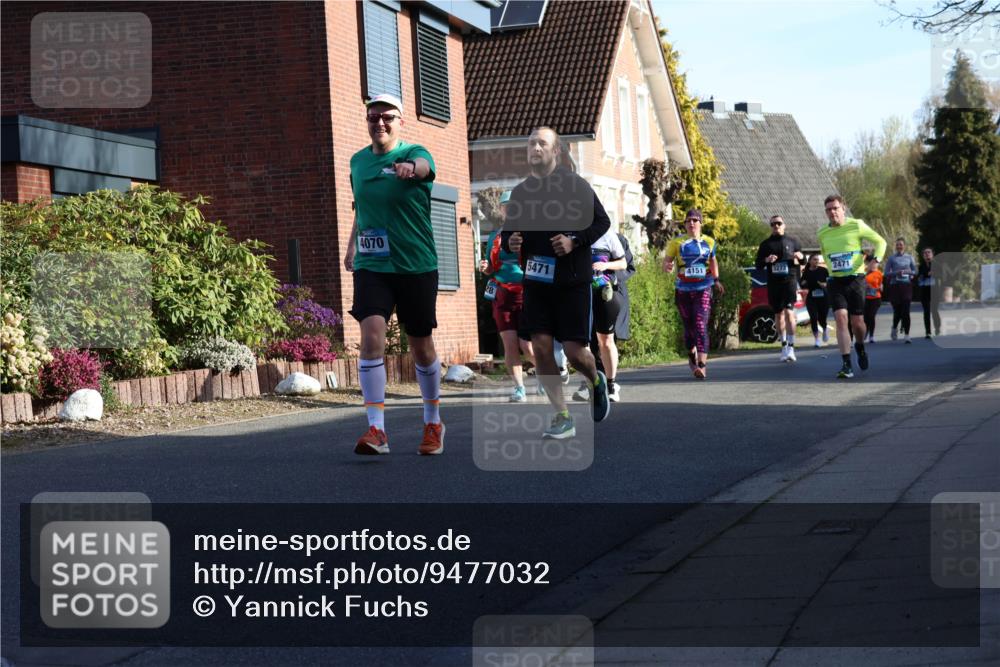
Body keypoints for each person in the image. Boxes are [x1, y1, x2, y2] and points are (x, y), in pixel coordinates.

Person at [345, 93, 444, 455]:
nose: (380, 123)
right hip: (374, 265)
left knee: (421, 346)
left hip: (415, 264)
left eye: (387, 117)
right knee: (372, 335)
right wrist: (352, 245)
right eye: (373, 117)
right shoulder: (357, 162)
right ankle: (376, 430)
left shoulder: (414, 152)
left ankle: (433, 422)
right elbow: (363, 206)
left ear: (400, 121)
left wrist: (410, 168)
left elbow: (425, 168)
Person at [503, 127, 612, 438]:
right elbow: (508, 231)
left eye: (542, 143)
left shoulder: (575, 185)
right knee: (540, 347)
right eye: (531, 143)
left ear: (556, 152)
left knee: (577, 353)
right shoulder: (522, 192)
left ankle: (596, 378)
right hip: (536, 281)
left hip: (571, 282)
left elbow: (602, 221)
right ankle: (562, 416)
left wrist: (574, 240)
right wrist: (511, 241)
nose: (535, 148)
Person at [817, 194, 887, 379]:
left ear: (843, 208)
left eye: (835, 208)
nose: (832, 212)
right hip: (835, 281)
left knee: (857, 323)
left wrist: (876, 260)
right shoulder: (822, 233)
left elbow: (881, 242)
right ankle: (846, 363)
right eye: (828, 210)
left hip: (856, 279)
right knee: (840, 318)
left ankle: (860, 346)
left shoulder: (856, 225)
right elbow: (825, 254)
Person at [480, 190, 537, 402]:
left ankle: (544, 374)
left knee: (528, 345)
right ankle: (519, 388)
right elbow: (490, 268)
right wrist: (485, 267)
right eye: (506, 206)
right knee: (510, 344)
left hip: (526, 292)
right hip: (502, 294)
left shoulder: (529, 233)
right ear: (503, 210)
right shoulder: (496, 236)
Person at [663, 209, 725, 379]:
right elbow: (667, 262)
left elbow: (713, 261)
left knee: (700, 324)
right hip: (683, 289)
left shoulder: (709, 242)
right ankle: (692, 357)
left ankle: (702, 365)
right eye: (688, 220)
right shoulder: (676, 243)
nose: (691, 223)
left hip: (703, 287)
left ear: (700, 223)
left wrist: (717, 279)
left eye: (695, 220)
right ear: (685, 224)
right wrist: (667, 267)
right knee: (689, 328)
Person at [572, 229, 628, 403]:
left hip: (604, 293)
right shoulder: (572, 235)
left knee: (606, 341)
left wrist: (606, 265)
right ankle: (590, 383)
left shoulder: (607, 235)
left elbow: (624, 263)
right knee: (582, 342)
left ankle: (611, 384)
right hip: (580, 293)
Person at [755, 215, 804, 362]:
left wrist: (800, 256)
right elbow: (758, 265)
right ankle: (783, 346)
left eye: (779, 223)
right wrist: (766, 260)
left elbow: (803, 260)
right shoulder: (765, 244)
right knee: (778, 315)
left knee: (789, 313)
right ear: (771, 226)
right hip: (774, 283)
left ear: (784, 225)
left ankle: (791, 347)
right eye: (773, 224)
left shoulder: (793, 241)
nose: (776, 226)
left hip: (789, 281)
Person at [884, 237, 917, 343]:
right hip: (895, 286)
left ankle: (907, 335)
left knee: (906, 311)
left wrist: (909, 272)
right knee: (897, 311)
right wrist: (896, 273)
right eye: (897, 244)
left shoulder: (909, 257)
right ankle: (894, 327)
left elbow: (915, 271)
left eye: (901, 244)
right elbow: (886, 273)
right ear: (895, 246)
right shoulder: (891, 258)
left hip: (906, 286)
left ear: (904, 246)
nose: (899, 246)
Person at [800, 253, 830, 347]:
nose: (816, 261)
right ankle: (816, 340)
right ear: (810, 261)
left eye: (817, 259)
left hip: (823, 297)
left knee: (822, 318)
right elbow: (802, 282)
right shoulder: (806, 271)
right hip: (812, 297)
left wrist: (824, 284)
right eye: (814, 259)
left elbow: (829, 282)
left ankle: (825, 329)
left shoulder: (823, 270)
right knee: (813, 317)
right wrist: (804, 283)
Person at [917, 246, 942, 338]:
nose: (927, 254)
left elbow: (941, 275)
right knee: (926, 311)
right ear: (923, 255)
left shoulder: (937, 264)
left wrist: (933, 273)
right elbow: (919, 276)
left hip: (934, 290)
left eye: (929, 252)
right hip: (924, 290)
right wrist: (926, 274)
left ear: (932, 254)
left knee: (934, 311)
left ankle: (937, 328)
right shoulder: (921, 266)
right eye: (925, 253)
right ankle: (928, 332)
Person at [863, 255, 883, 343]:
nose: (873, 264)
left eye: (875, 263)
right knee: (865, 318)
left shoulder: (879, 273)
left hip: (876, 298)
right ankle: (865, 332)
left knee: (871, 316)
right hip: (865, 298)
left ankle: (871, 335)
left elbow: (882, 285)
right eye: (871, 263)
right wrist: (865, 286)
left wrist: (879, 288)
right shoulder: (864, 273)